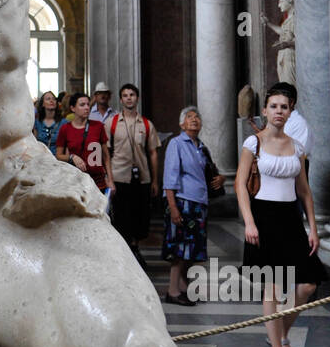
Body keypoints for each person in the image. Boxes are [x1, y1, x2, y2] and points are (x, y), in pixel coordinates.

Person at [236, 85, 325, 347]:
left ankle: (280, 335)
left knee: (307, 285)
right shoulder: (254, 143)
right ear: (265, 110)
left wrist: (312, 228)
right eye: (273, 106)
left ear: (290, 111)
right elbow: (239, 184)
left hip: (290, 218)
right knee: (273, 287)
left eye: (284, 107)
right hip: (263, 217)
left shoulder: (296, 146)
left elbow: (304, 191)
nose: (278, 112)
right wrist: (249, 221)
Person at [161, 106, 223, 305]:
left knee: (191, 249)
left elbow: (208, 172)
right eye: (189, 117)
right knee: (179, 249)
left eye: (197, 117)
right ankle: (172, 291)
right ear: (181, 124)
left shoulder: (201, 146)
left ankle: (183, 287)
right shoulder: (176, 144)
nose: (194, 119)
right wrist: (173, 207)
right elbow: (169, 178)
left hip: (199, 202)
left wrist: (220, 178)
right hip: (182, 200)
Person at [109, 83, 160, 263]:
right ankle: (124, 252)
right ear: (121, 99)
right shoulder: (112, 123)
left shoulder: (146, 124)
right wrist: (109, 180)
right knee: (122, 216)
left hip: (142, 177)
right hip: (119, 176)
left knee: (140, 216)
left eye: (132, 94)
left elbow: (153, 152)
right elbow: (105, 152)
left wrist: (154, 180)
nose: (129, 98)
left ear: (137, 98)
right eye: (125, 95)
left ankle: (135, 247)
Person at [55, 93, 113, 194]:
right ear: (73, 108)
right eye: (82, 105)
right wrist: (72, 157)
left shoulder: (98, 126)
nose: (86, 108)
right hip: (77, 182)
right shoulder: (66, 129)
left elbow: (106, 156)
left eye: (88, 104)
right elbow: (58, 155)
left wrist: (110, 179)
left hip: (98, 182)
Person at [33, 90, 62, 155]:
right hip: (42, 158)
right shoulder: (37, 122)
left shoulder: (63, 122)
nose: (51, 101)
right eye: (48, 99)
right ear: (43, 104)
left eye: (54, 99)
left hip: (58, 159)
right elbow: (35, 143)